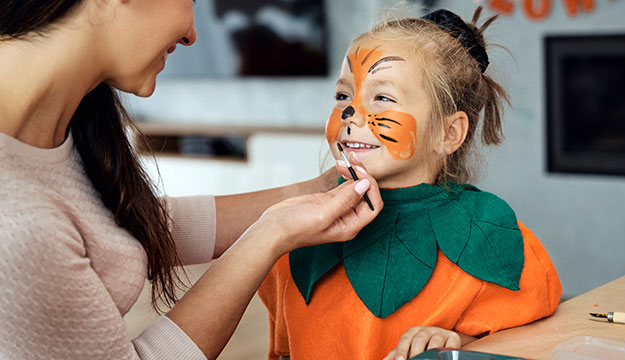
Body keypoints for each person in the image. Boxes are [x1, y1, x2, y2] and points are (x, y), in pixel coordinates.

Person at [0, 1, 383, 359]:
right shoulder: (15, 219)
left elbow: (114, 229)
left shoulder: (65, 126)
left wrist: (317, 188)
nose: (191, 34)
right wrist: (270, 235)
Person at [257, 7, 562, 360]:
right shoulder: (302, 227)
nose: (349, 113)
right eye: (343, 96)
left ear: (448, 133)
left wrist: (458, 339)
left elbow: (527, 328)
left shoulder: (487, 230)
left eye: (382, 97)